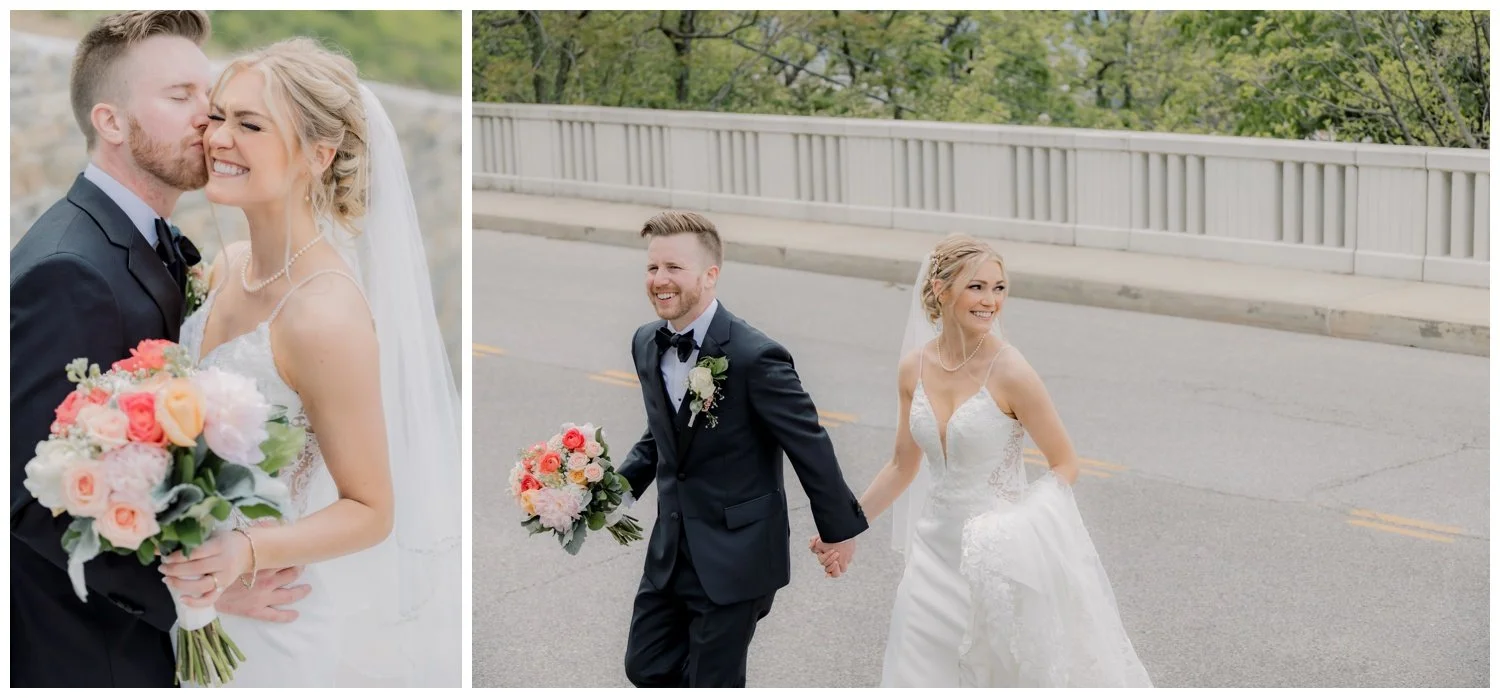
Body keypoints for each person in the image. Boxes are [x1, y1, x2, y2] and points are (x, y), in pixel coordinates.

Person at [153, 37, 461, 686]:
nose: (219, 138)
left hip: (268, 625)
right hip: (196, 600)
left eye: (250, 124)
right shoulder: (227, 267)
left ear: (317, 157)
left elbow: (371, 509)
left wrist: (243, 553)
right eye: (219, 116)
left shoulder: (325, 315)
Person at [812, 233, 1152, 687]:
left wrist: (1017, 526)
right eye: (977, 287)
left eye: (999, 288)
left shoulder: (1011, 371)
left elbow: (1065, 463)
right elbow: (901, 466)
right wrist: (845, 529)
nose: (991, 300)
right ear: (940, 289)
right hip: (932, 556)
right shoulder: (913, 367)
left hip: (997, 560)